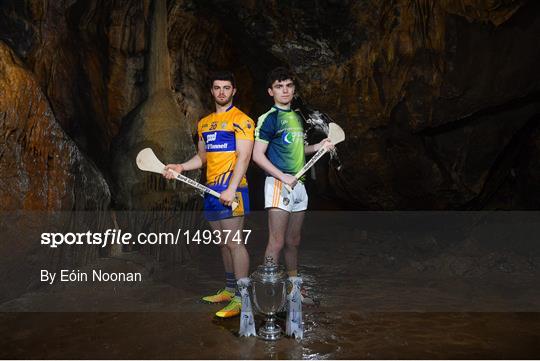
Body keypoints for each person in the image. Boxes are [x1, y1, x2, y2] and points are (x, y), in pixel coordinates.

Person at [163, 71, 254, 318]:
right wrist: (180, 167)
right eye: (217, 88)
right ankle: (229, 289)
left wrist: (232, 188)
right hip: (211, 190)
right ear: (212, 91)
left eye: (226, 88)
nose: (222, 92)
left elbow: (244, 158)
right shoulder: (204, 123)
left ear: (234, 91)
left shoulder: (242, 120)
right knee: (223, 243)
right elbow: (202, 158)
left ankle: (242, 299)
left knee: (235, 243)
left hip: (233, 190)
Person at [252, 67, 334, 304]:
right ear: (271, 91)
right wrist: (283, 176)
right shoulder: (269, 118)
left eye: (288, 85)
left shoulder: (298, 118)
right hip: (279, 184)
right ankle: (268, 294)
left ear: (293, 89)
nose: (284, 90)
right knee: (276, 242)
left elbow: (300, 150)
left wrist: (319, 147)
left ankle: (293, 289)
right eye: (279, 86)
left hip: (300, 185)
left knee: (293, 241)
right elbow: (258, 156)